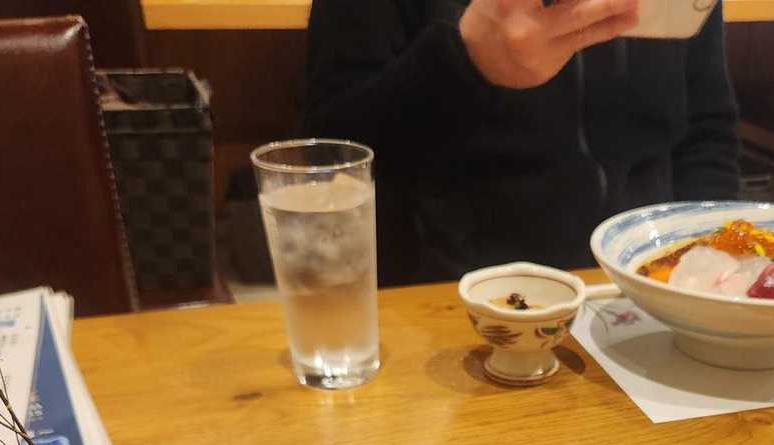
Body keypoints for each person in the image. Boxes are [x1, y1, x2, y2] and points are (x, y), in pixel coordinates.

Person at [300, 0, 740, 286]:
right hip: (451, 298)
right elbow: (331, 158)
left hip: (646, 290)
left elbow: (706, 132)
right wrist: (464, 62)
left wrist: (711, 266)